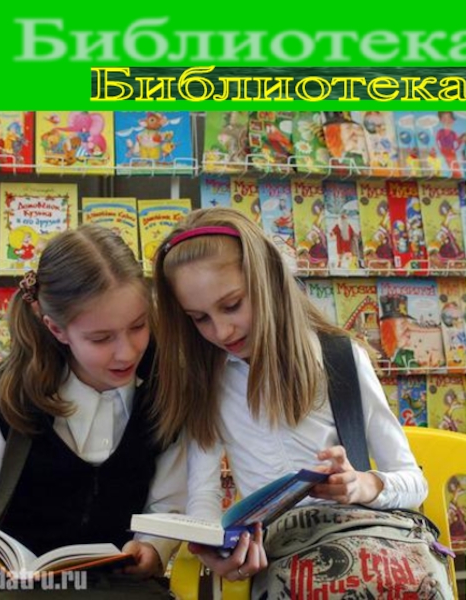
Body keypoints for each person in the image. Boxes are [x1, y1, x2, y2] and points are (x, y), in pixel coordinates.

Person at [151, 208, 441, 596]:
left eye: (232, 305)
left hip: (366, 544)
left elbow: (414, 482)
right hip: (282, 559)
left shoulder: (340, 358)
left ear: (269, 280)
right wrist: (213, 547)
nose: (221, 330)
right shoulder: (205, 381)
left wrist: (361, 484)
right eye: (199, 318)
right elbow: (202, 494)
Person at [0, 225, 185, 594]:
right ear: (56, 329)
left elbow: (166, 505)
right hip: (7, 584)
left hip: (110, 586)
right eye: (101, 338)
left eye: (138, 326)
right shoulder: (14, 390)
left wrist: (152, 548)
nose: (128, 351)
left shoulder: (166, 390)